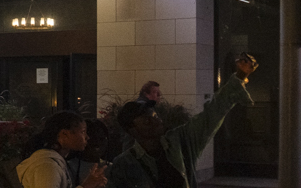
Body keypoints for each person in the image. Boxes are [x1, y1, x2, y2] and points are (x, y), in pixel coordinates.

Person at [107, 53, 258, 188]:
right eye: (146, 119)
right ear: (132, 130)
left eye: (154, 115)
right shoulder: (123, 165)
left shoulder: (179, 142)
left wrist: (239, 77)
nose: (155, 120)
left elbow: (210, 115)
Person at [16, 111, 107, 188]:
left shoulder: (53, 162)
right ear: (64, 134)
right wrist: (86, 186)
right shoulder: (47, 166)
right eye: (82, 132)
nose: (87, 137)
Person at [67, 119, 111, 185]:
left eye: (102, 139)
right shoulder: (68, 167)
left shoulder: (112, 167)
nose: (97, 143)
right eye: (93, 138)